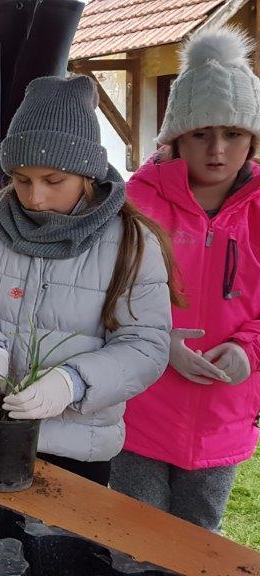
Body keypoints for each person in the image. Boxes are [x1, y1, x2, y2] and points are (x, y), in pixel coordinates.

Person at [0, 75, 180, 486]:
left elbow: (146, 345)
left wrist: (74, 382)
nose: (35, 198)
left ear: (87, 173)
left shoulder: (130, 243)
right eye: (21, 179)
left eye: (54, 181)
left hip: (76, 449)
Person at [111, 27, 260, 531]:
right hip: (141, 406)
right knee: (137, 535)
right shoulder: (136, 201)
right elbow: (103, 293)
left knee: (201, 538)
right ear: (176, 137)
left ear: (253, 138)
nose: (218, 150)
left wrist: (248, 350)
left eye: (234, 133)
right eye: (201, 134)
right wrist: (155, 341)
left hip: (224, 412)